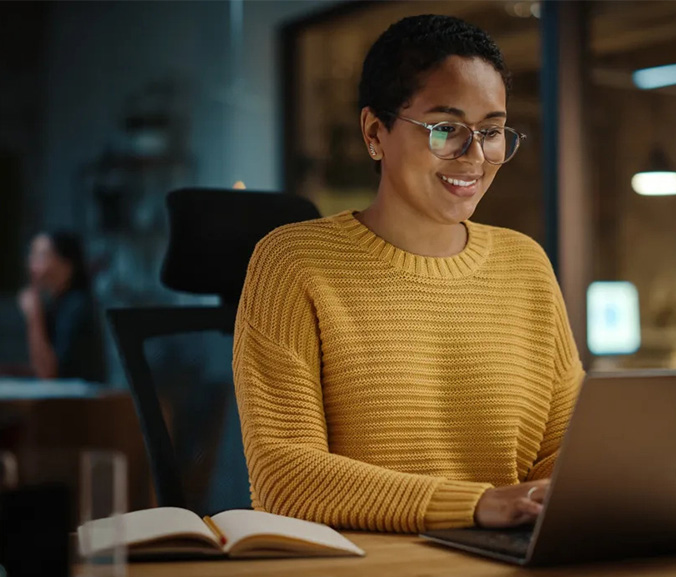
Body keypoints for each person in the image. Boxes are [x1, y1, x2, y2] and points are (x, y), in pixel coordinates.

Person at [232, 15, 584, 533]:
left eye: (490, 131)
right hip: (355, 572)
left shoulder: (525, 263)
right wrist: (476, 505)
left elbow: (566, 451)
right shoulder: (293, 263)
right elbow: (285, 476)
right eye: (446, 129)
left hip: (505, 562)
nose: (475, 156)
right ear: (376, 131)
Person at [15, 232, 106, 382]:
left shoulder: (77, 306)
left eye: (42, 256)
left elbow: (49, 373)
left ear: (67, 265)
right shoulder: (55, 305)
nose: (32, 264)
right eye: (32, 255)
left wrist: (34, 315)